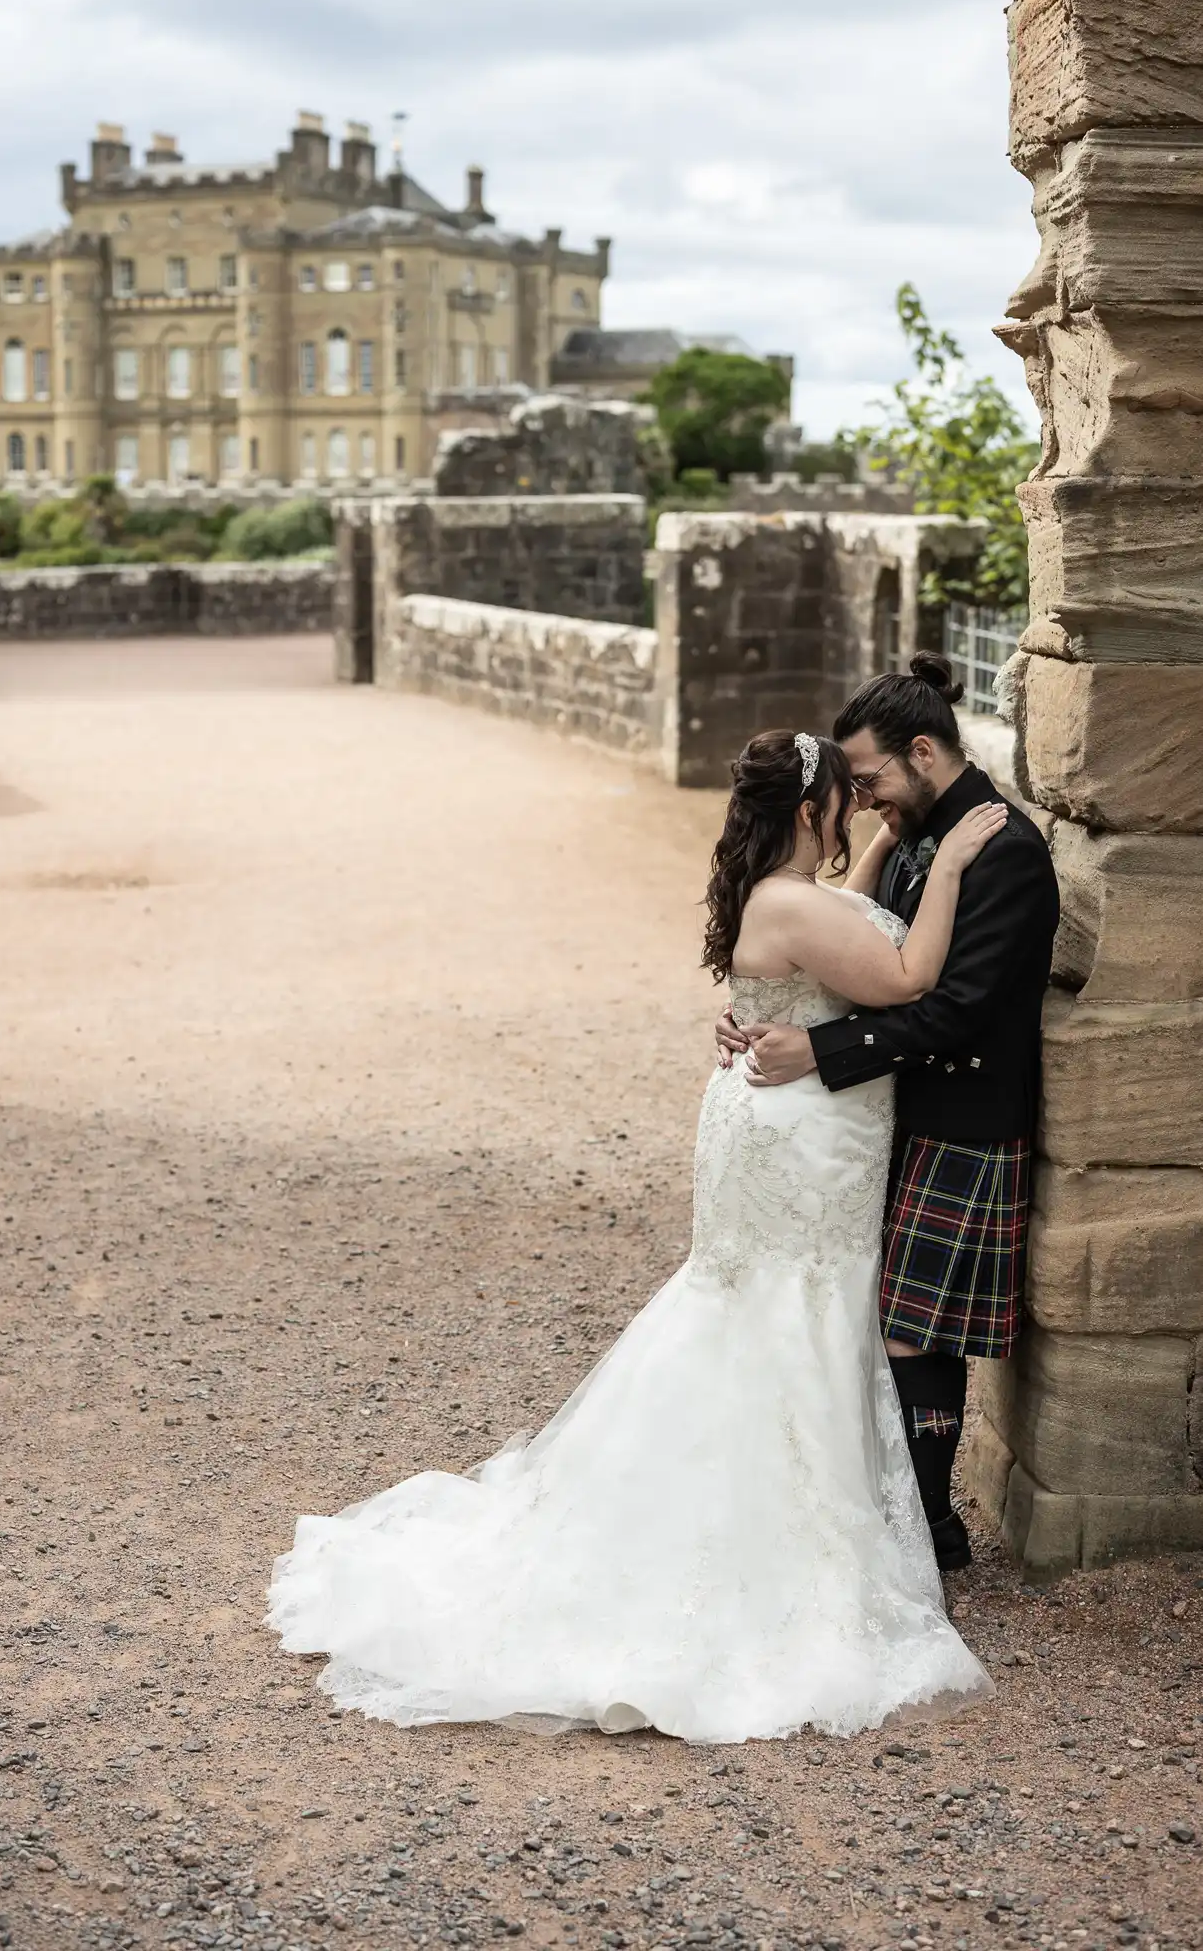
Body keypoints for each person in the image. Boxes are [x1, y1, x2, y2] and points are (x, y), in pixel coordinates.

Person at [268, 728, 1003, 1744]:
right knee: (789, 1310)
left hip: (778, 1124)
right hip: (803, 1141)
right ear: (807, 812)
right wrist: (955, 861)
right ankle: (777, 1547)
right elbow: (913, 973)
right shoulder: (793, 903)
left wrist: (879, 849)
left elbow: (840, 914)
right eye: (846, 799)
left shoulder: (786, 894)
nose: (858, 814)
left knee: (761, 1305)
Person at [716, 654, 1060, 1572]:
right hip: (895, 1108)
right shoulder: (916, 837)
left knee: (916, 1324)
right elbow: (841, 961)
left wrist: (815, 1051)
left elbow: (955, 1007)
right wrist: (766, 1016)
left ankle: (929, 1524)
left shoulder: (1005, 852)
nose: (861, 801)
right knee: (879, 1316)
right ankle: (897, 1513)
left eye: (869, 780)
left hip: (962, 1116)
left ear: (921, 751)